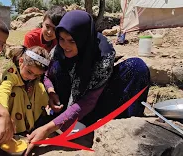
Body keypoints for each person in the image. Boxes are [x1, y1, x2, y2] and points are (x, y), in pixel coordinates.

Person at [24, 10, 150, 155]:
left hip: (97, 101)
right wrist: (51, 91)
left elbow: (89, 101)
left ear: (83, 38)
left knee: (136, 67)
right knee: (57, 66)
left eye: (72, 41)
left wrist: (48, 128)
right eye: (62, 39)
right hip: (67, 104)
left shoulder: (103, 55)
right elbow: (46, 76)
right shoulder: (58, 50)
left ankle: (126, 127)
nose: (65, 45)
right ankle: (65, 118)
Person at [0, 46, 50, 134]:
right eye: (29, 72)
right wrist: (3, 114)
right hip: (14, 107)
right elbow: (3, 91)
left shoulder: (33, 78)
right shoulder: (11, 74)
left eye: (36, 75)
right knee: (17, 91)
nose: (31, 77)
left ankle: (36, 120)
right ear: (21, 61)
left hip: (29, 102)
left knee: (38, 87)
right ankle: (19, 129)